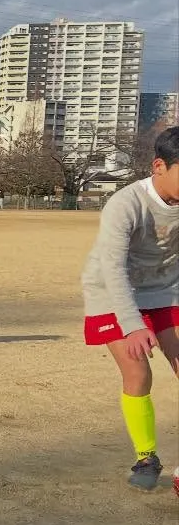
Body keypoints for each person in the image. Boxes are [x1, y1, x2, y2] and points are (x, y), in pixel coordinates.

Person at [79, 125, 179, 491]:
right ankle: (146, 456)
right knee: (138, 373)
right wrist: (133, 324)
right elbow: (113, 268)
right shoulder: (125, 204)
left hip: (164, 289)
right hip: (111, 291)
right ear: (159, 166)